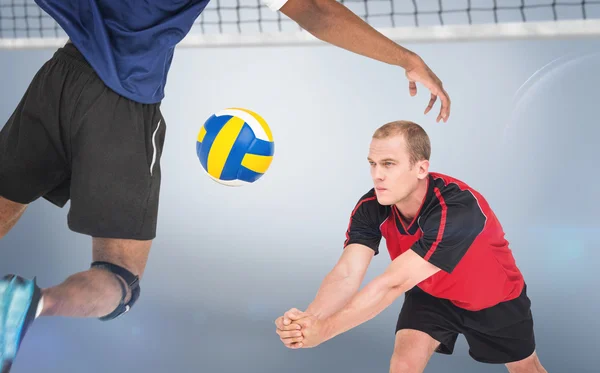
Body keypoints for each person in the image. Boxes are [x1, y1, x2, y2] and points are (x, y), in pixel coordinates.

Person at [0, 0, 450, 371]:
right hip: (124, 97)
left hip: (58, 75)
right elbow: (317, 9)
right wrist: (408, 59)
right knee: (119, 277)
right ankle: (29, 303)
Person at [274, 121, 547, 373]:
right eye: (373, 163)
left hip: (493, 298)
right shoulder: (372, 206)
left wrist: (326, 330)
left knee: (526, 368)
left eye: (389, 164)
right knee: (403, 365)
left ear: (421, 168)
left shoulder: (456, 209)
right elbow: (347, 272)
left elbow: (392, 284)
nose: (377, 175)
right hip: (431, 293)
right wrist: (308, 321)